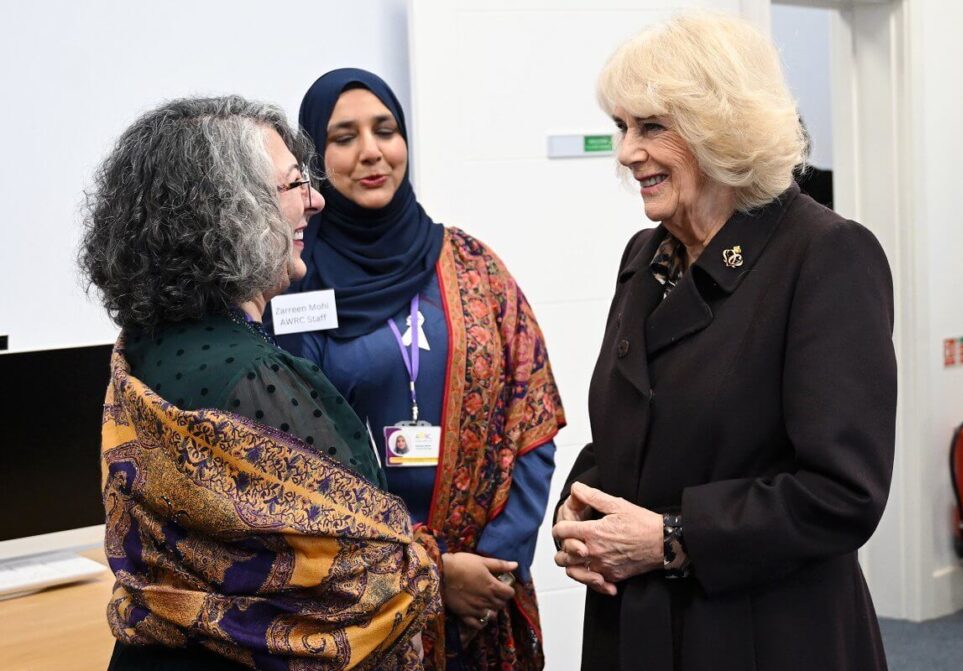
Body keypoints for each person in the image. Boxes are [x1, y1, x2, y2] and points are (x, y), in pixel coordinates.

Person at [551, 13, 896, 671]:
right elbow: (642, 429)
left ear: (722, 125)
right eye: (623, 127)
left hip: (766, 633)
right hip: (638, 628)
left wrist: (671, 538)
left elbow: (843, 492)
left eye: (652, 127)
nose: (627, 152)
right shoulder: (645, 256)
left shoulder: (826, 255)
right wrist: (584, 497)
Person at [79, 95, 439, 671]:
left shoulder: (143, 346)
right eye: (297, 184)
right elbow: (367, 583)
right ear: (231, 210)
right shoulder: (256, 378)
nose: (316, 201)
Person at [272, 68, 565, 671]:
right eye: (344, 136)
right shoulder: (295, 282)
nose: (372, 151)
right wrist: (429, 575)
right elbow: (297, 463)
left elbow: (530, 422)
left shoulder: (474, 265)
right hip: (362, 611)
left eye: (386, 130)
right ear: (314, 158)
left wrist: (493, 569)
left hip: (485, 598)